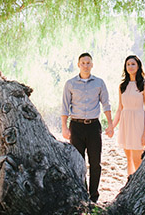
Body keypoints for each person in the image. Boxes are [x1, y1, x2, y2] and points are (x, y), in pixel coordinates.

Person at [60, 52, 113, 203]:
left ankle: (93, 196)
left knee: (95, 163)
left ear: (92, 64)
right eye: (83, 63)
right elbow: (64, 107)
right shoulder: (70, 84)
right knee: (78, 162)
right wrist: (64, 127)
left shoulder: (99, 83)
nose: (85, 65)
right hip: (76, 127)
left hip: (93, 127)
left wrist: (110, 124)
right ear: (78, 65)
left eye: (88, 62)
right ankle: (81, 194)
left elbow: (106, 104)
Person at [110, 55, 145, 175]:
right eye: (128, 64)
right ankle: (129, 184)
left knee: (137, 159)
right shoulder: (122, 86)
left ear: (138, 66)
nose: (130, 66)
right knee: (128, 159)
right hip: (125, 123)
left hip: (138, 122)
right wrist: (112, 126)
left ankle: (140, 186)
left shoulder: (144, 85)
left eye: (133, 64)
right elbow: (120, 108)